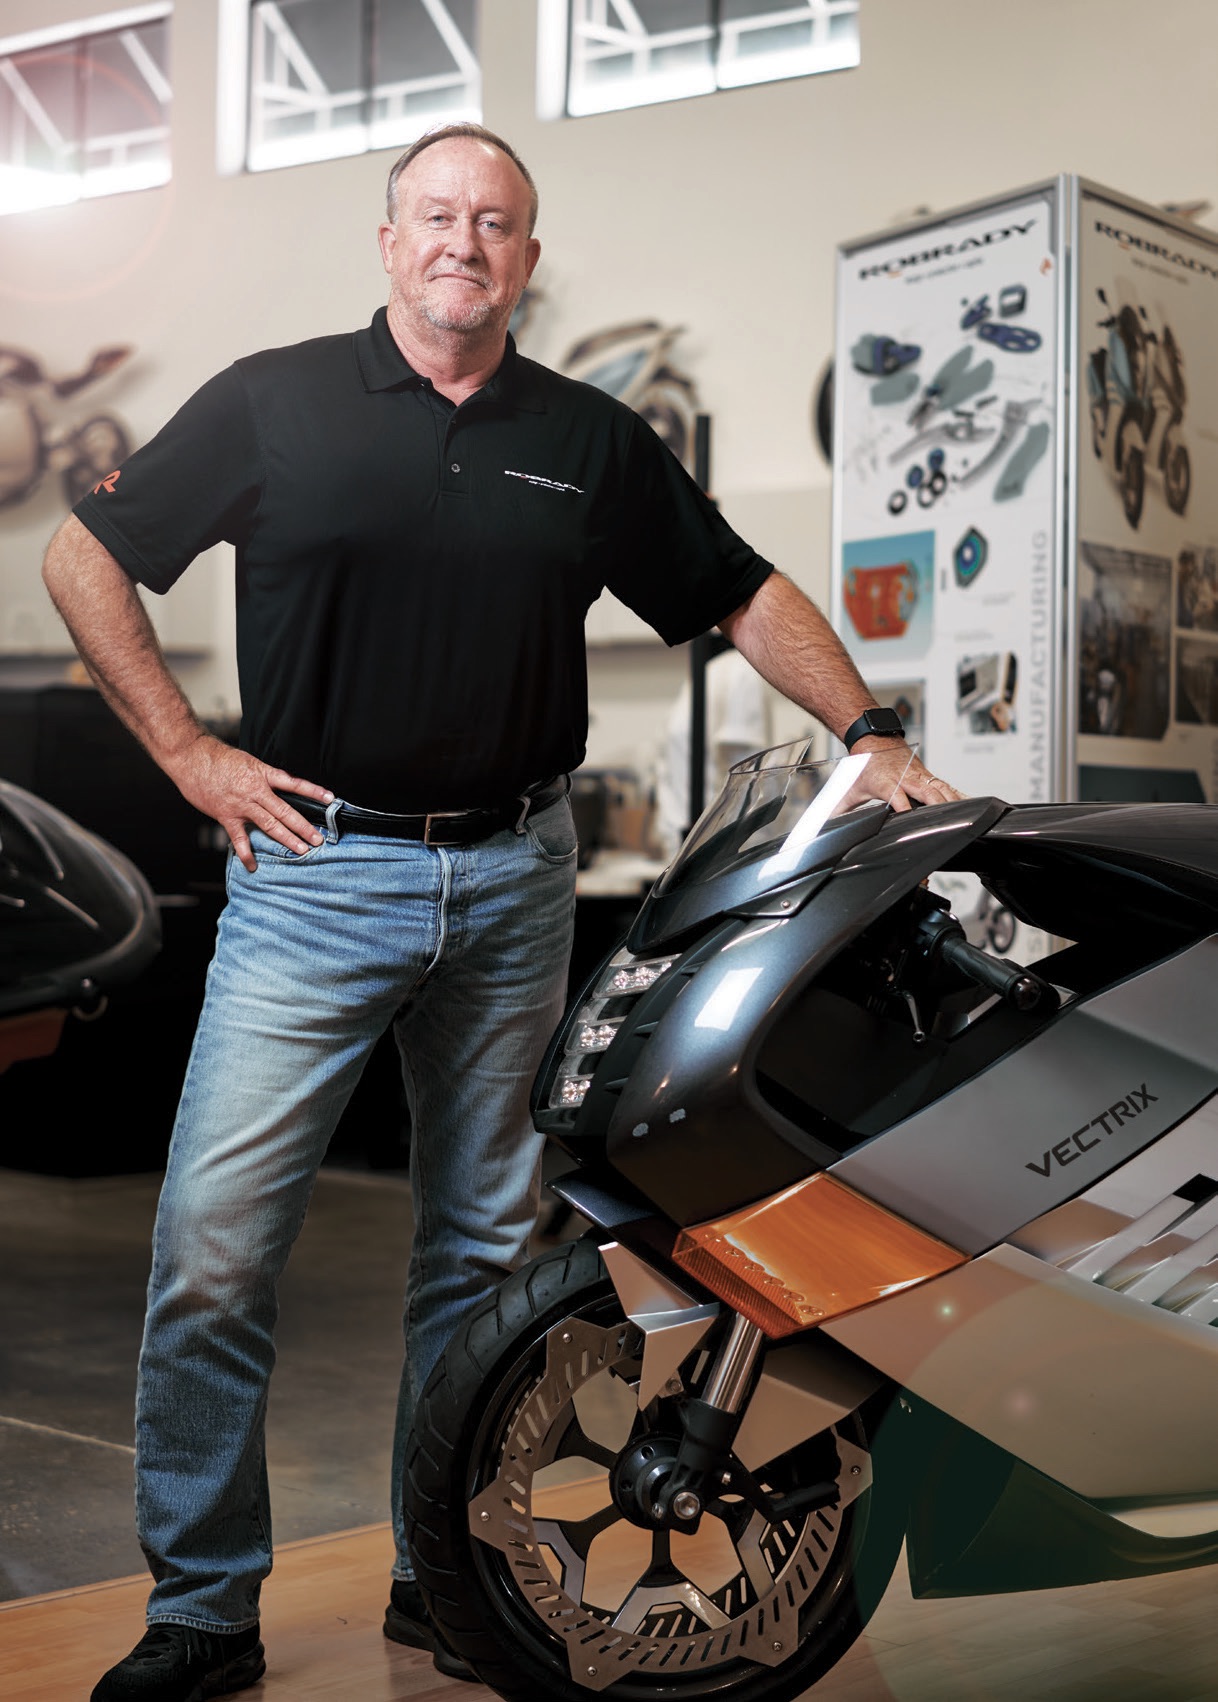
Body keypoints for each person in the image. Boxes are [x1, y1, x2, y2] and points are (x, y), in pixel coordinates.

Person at [41, 123, 960, 1702]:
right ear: (388, 241)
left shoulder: (589, 441)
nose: (465, 242)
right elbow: (82, 551)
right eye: (437, 217)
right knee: (211, 1247)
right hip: (314, 874)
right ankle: (201, 1605)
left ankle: (436, 1573)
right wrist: (185, 752)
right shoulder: (276, 399)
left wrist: (866, 728)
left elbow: (738, 588)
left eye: (498, 222)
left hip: (517, 875)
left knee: (478, 1254)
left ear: (528, 256)